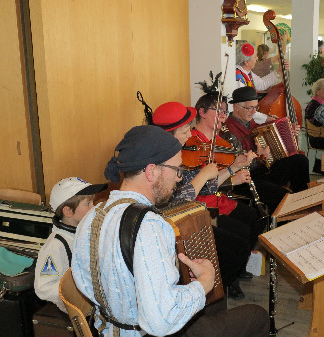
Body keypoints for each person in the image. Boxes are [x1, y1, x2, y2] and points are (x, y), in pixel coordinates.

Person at [72, 125, 269, 337]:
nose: (179, 178)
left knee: (214, 304)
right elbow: (161, 322)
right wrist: (204, 283)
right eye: (177, 170)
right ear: (151, 171)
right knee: (257, 316)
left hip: (109, 327)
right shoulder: (149, 227)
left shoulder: (92, 216)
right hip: (145, 332)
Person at [151, 99, 259, 300]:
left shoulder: (180, 154)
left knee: (240, 240)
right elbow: (173, 202)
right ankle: (209, 295)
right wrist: (203, 175)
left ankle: (215, 292)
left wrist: (232, 168)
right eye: (184, 132)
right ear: (169, 135)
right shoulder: (160, 163)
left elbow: (208, 186)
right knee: (236, 246)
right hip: (174, 224)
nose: (190, 134)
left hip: (191, 215)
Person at [224, 86, 310, 212]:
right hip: (245, 180)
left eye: (256, 107)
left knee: (300, 161)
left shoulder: (251, 122)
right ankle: (284, 221)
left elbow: (270, 135)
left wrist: (288, 131)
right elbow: (238, 167)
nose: (254, 112)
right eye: (250, 108)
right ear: (236, 107)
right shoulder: (229, 131)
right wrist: (259, 156)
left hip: (262, 170)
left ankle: (302, 203)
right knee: (282, 196)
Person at [35, 177, 107, 312]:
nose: (94, 208)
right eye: (88, 203)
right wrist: (77, 293)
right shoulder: (55, 246)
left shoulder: (84, 234)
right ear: (68, 211)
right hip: (77, 312)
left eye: (93, 202)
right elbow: (43, 288)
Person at [235, 42, 285, 124]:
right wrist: (266, 118)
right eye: (255, 57)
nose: (257, 59)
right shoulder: (238, 77)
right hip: (241, 121)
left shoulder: (247, 72)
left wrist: (279, 72)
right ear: (246, 62)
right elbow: (245, 107)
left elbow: (262, 84)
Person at [305, 78, 324, 174]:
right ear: (317, 91)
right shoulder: (313, 105)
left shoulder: (323, 104)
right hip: (317, 138)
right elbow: (316, 123)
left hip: (323, 136)